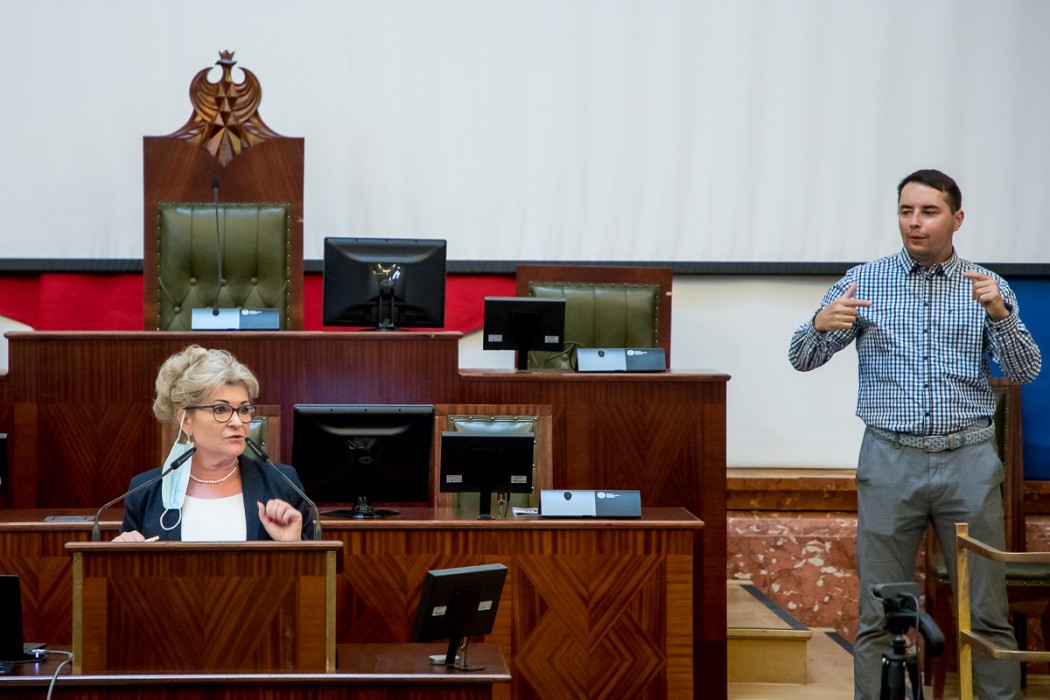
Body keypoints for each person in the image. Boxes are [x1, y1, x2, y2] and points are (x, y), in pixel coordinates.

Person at [788, 169, 1040, 700]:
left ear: (957, 219)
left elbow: (1025, 370)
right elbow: (801, 359)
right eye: (906, 211)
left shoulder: (986, 285)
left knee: (986, 610)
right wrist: (818, 326)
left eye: (928, 212)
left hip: (968, 461)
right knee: (882, 612)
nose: (915, 223)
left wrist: (999, 314)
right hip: (890, 459)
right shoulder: (865, 281)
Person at [114, 345, 315, 542]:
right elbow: (132, 562)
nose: (237, 422)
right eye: (220, 409)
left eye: (243, 410)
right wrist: (122, 554)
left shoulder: (283, 483)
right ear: (186, 421)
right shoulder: (145, 491)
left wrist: (293, 546)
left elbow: (314, 563)